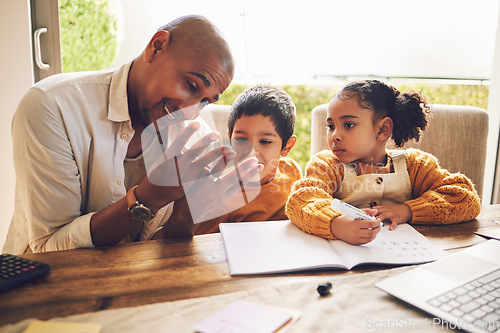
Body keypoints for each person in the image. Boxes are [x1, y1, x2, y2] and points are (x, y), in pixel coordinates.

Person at [3, 15, 262, 254]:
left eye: (205, 102)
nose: (190, 111)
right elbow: (50, 248)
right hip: (40, 291)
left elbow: (151, 253)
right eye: (191, 85)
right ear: (157, 46)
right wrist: (147, 198)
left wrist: (188, 216)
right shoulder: (51, 107)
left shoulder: (192, 140)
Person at [285, 80, 481, 245]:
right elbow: (301, 200)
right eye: (330, 126)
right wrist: (337, 224)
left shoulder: (416, 166)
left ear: (382, 129)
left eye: (348, 125)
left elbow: (465, 199)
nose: (334, 135)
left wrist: (408, 211)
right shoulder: (326, 165)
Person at [192, 85, 302, 235]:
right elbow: (197, 246)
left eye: (265, 142)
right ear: (230, 138)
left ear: (287, 147)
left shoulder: (291, 169)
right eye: (242, 140)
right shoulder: (222, 197)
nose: (251, 152)